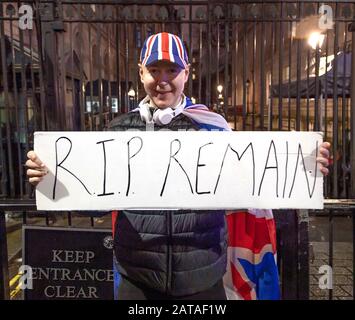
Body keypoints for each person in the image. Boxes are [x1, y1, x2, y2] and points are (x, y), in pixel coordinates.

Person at [26, 32, 331, 300]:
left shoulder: (213, 129)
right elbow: (94, 203)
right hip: (138, 277)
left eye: (172, 69)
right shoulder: (119, 130)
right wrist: (52, 179)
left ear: (186, 73)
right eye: (154, 69)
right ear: (141, 72)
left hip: (202, 274)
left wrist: (302, 165)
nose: (162, 80)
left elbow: (254, 182)